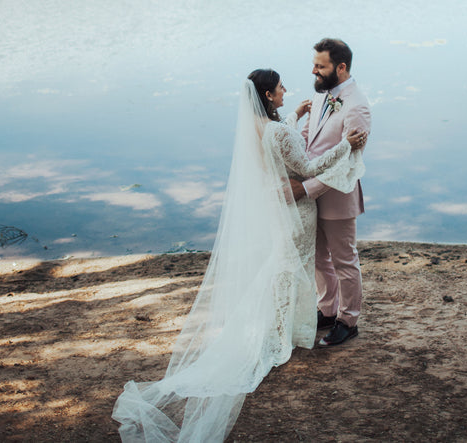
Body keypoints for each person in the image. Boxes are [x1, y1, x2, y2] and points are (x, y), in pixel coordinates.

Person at [112, 69, 366, 443]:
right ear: (267, 92)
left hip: (276, 211)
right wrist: (347, 144)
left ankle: (282, 328)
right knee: (288, 269)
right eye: (280, 88)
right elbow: (308, 167)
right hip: (296, 212)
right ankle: (281, 335)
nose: (285, 91)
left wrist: (294, 115)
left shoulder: (253, 128)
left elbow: (277, 143)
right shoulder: (277, 131)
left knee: (282, 267)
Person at [290, 38, 372, 347]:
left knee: (343, 260)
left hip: (337, 196)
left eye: (320, 66)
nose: (314, 70)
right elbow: (309, 139)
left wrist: (304, 189)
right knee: (317, 258)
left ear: (341, 67)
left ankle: (348, 320)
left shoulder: (357, 106)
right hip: (312, 195)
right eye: (314, 64)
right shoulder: (323, 94)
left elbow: (348, 165)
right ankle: (328, 309)